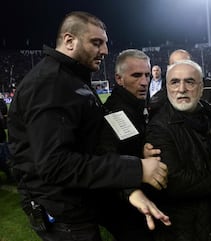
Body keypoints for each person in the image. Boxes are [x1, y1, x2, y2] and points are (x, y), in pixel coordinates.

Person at [7, 11, 170, 241]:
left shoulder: (70, 78)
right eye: (96, 43)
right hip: (63, 210)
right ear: (69, 41)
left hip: (75, 203)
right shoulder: (51, 84)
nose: (104, 50)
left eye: (104, 43)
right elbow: (55, 165)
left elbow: (88, 143)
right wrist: (136, 169)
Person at [145, 59, 211, 241]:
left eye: (190, 82)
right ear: (167, 88)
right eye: (175, 82)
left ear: (201, 87)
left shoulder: (206, 115)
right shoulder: (159, 127)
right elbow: (173, 180)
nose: (182, 89)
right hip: (184, 229)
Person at [95, 49, 156, 241]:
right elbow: (107, 159)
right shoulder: (113, 113)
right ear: (119, 79)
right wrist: (131, 191)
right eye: (136, 75)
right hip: (125, 207)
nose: (145, 81)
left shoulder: (137, 105)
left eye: (147, 75)